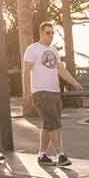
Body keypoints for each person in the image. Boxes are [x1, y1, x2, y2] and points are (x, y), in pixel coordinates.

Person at [24, 21, 81, 166]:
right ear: (41, 33)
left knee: (48, 124)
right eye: (47, 33)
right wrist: (27, 92)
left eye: (52, 33)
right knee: (54, 124)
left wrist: (74, 83)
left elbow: (61, 70)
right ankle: (60, 155)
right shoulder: (32, 49)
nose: (50, 35)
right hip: (41, 92)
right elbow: (26, 71)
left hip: (55, 92)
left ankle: (42, 155)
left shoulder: (54, 51)